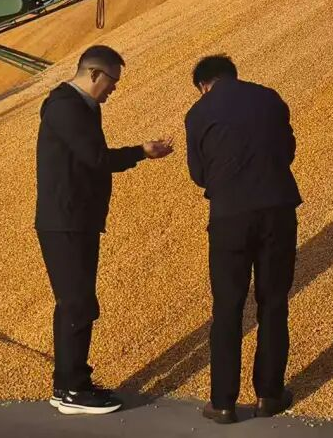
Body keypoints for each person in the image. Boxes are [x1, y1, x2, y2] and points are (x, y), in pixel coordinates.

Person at [35, 44, 173, 415]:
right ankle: (73, 391)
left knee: (74, 303)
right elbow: (96, 158)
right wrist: (141, 152)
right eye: (112, 81)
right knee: (78, 303)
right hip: (65, 221)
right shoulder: (66, 107)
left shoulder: (81, 106)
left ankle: (68, 384)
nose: (114, 89)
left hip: (75, 219)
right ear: (94, 73)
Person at [184, 54, 301, 424]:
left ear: (204, 85)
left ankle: (223, 403)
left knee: (227, 307)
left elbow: (198, 174)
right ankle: (269, 395)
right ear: (233, 75)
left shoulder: (198, 113)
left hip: (229, 216)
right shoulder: (269, 97)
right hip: (277, 208)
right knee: (273, 302)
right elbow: (287, 151)